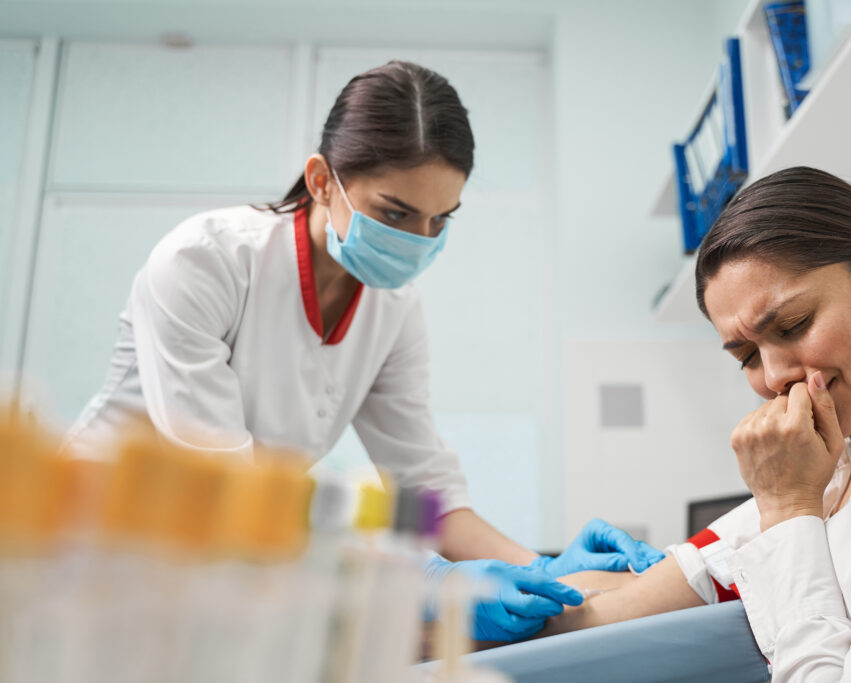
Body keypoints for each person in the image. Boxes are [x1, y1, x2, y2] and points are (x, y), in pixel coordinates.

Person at [62, 60, 662, 641]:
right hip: (92, 543)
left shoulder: (393, 309)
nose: (417, 242)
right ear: (323, 181)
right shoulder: (205, 261)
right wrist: (421, 580)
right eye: (395, 213)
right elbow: (229, 482)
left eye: (439, 220)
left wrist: (536, 567)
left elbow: (425, 492)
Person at [540, 167, 851, 681]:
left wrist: (792, 510)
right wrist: (485, 596)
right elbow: (637, 595)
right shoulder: (844, 460)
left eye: (793, 325)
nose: (774, 378)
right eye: (747, 355)